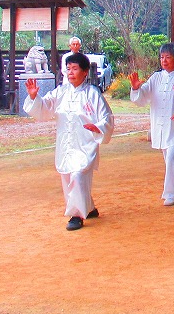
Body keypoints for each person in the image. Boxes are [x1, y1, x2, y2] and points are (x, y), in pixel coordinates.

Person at [24, 51, 114, 230]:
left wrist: (98, 127)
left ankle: (76, 215)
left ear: (85, 72)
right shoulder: (61, 92)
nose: (71, 72)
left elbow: (107, 117)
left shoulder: (92, 93)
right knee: (67, 176)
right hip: (65, 143)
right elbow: (45, 108)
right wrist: (34, 97)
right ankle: (89, 207)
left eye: (75, 68)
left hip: (85, 144)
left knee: (78, 175)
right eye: (68, 69)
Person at [130, 42, 174, 206]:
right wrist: (136, 89)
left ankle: (171, 194)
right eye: (162, 57)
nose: (164, 61)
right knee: (172, 160)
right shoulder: (156, 78)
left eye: (168, 57)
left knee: (173, 157)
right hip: (161, 127)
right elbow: (143, 97)